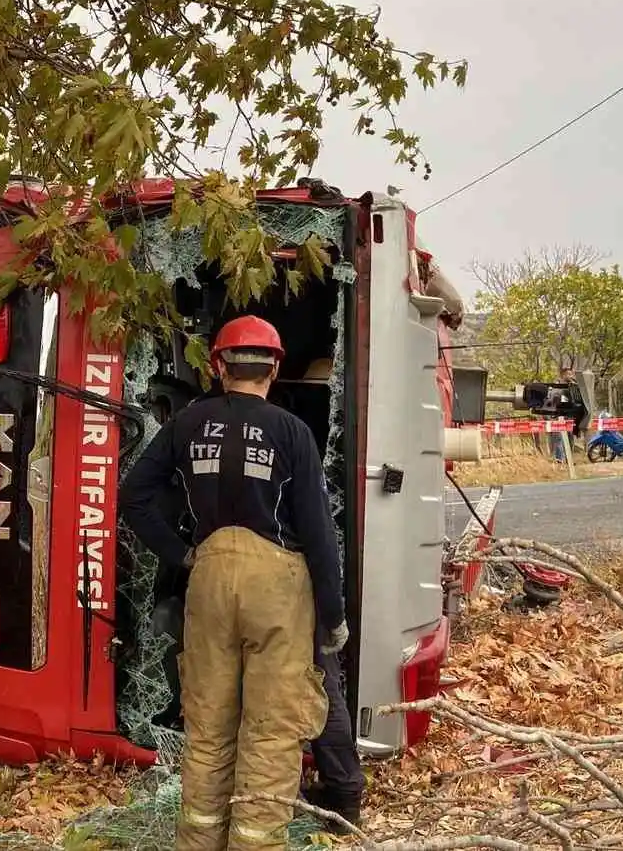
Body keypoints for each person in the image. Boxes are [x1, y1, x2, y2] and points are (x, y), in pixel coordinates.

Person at [119, 315, 351, 851]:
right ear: (275, 368)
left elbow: (134, 497)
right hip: (278, 589)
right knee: (271, 734)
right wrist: (333, 615)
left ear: (219, 365)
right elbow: (318, 533)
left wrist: (183, 554)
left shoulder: (187, 424)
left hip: (210, 579)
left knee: (208, 732)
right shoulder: (292, 432)